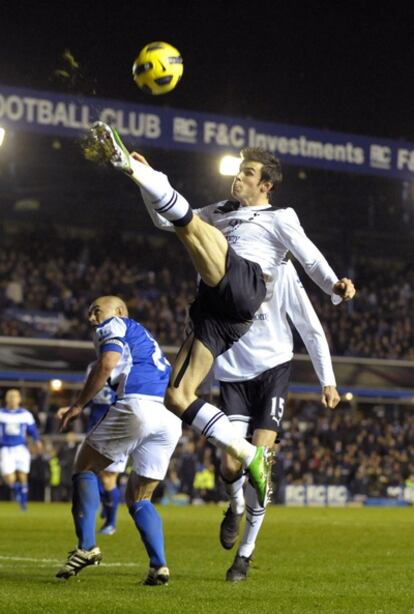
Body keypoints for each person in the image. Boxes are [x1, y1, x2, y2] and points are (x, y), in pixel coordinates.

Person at [85, 122, 355, 508]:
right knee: (177, 397)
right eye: (239, 170)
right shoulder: (220, 211)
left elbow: (309, 257)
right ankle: (249, 458)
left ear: (266, 185)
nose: (238, 177)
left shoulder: (280, 217)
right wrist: (147, 186)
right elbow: (164, 219)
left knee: (190, 227)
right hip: (215, 313)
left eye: (248, 172)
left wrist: (334, 286)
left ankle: (128, 164)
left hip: (246, 285)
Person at [216, 258, 340, 582]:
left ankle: (244, 554)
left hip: (273, 370)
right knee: (230, 465)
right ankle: (235, 506)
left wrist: (327, 380)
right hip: (232, 375)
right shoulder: (222, 263)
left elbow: (309, 325)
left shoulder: (283, 270)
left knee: (260, 466)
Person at [56, 296, 182, 585]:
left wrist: (77, 406)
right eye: (89, 311)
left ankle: (86, 547)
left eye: (96, 310)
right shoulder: (146, 339)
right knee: (140, 497)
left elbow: (107, 364)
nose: (91, 317)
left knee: (84, 468)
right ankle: (158, 566)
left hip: (139, 406)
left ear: (120, 312)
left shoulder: (115, 324)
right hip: (169, 418)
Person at [84, 361, 127, 536]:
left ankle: (111, 522)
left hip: (116, 427)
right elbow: (88, 394)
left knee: (109, 476)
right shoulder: (93, 366)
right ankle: (107, 505)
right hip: (95, 425)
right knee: (94, 473)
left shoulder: (126, 365)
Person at [0, 388, 43, 510]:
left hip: (21, 448)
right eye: (10, 396)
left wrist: (37, 441)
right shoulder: (1, 413)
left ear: (19, 399)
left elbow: (33, 431)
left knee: (23, 475)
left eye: (15, 396)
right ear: (6, 399)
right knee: (8, 478)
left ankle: (23, 503)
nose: (13, 399)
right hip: (5, 448)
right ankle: (19, 491)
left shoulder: (25, 414)